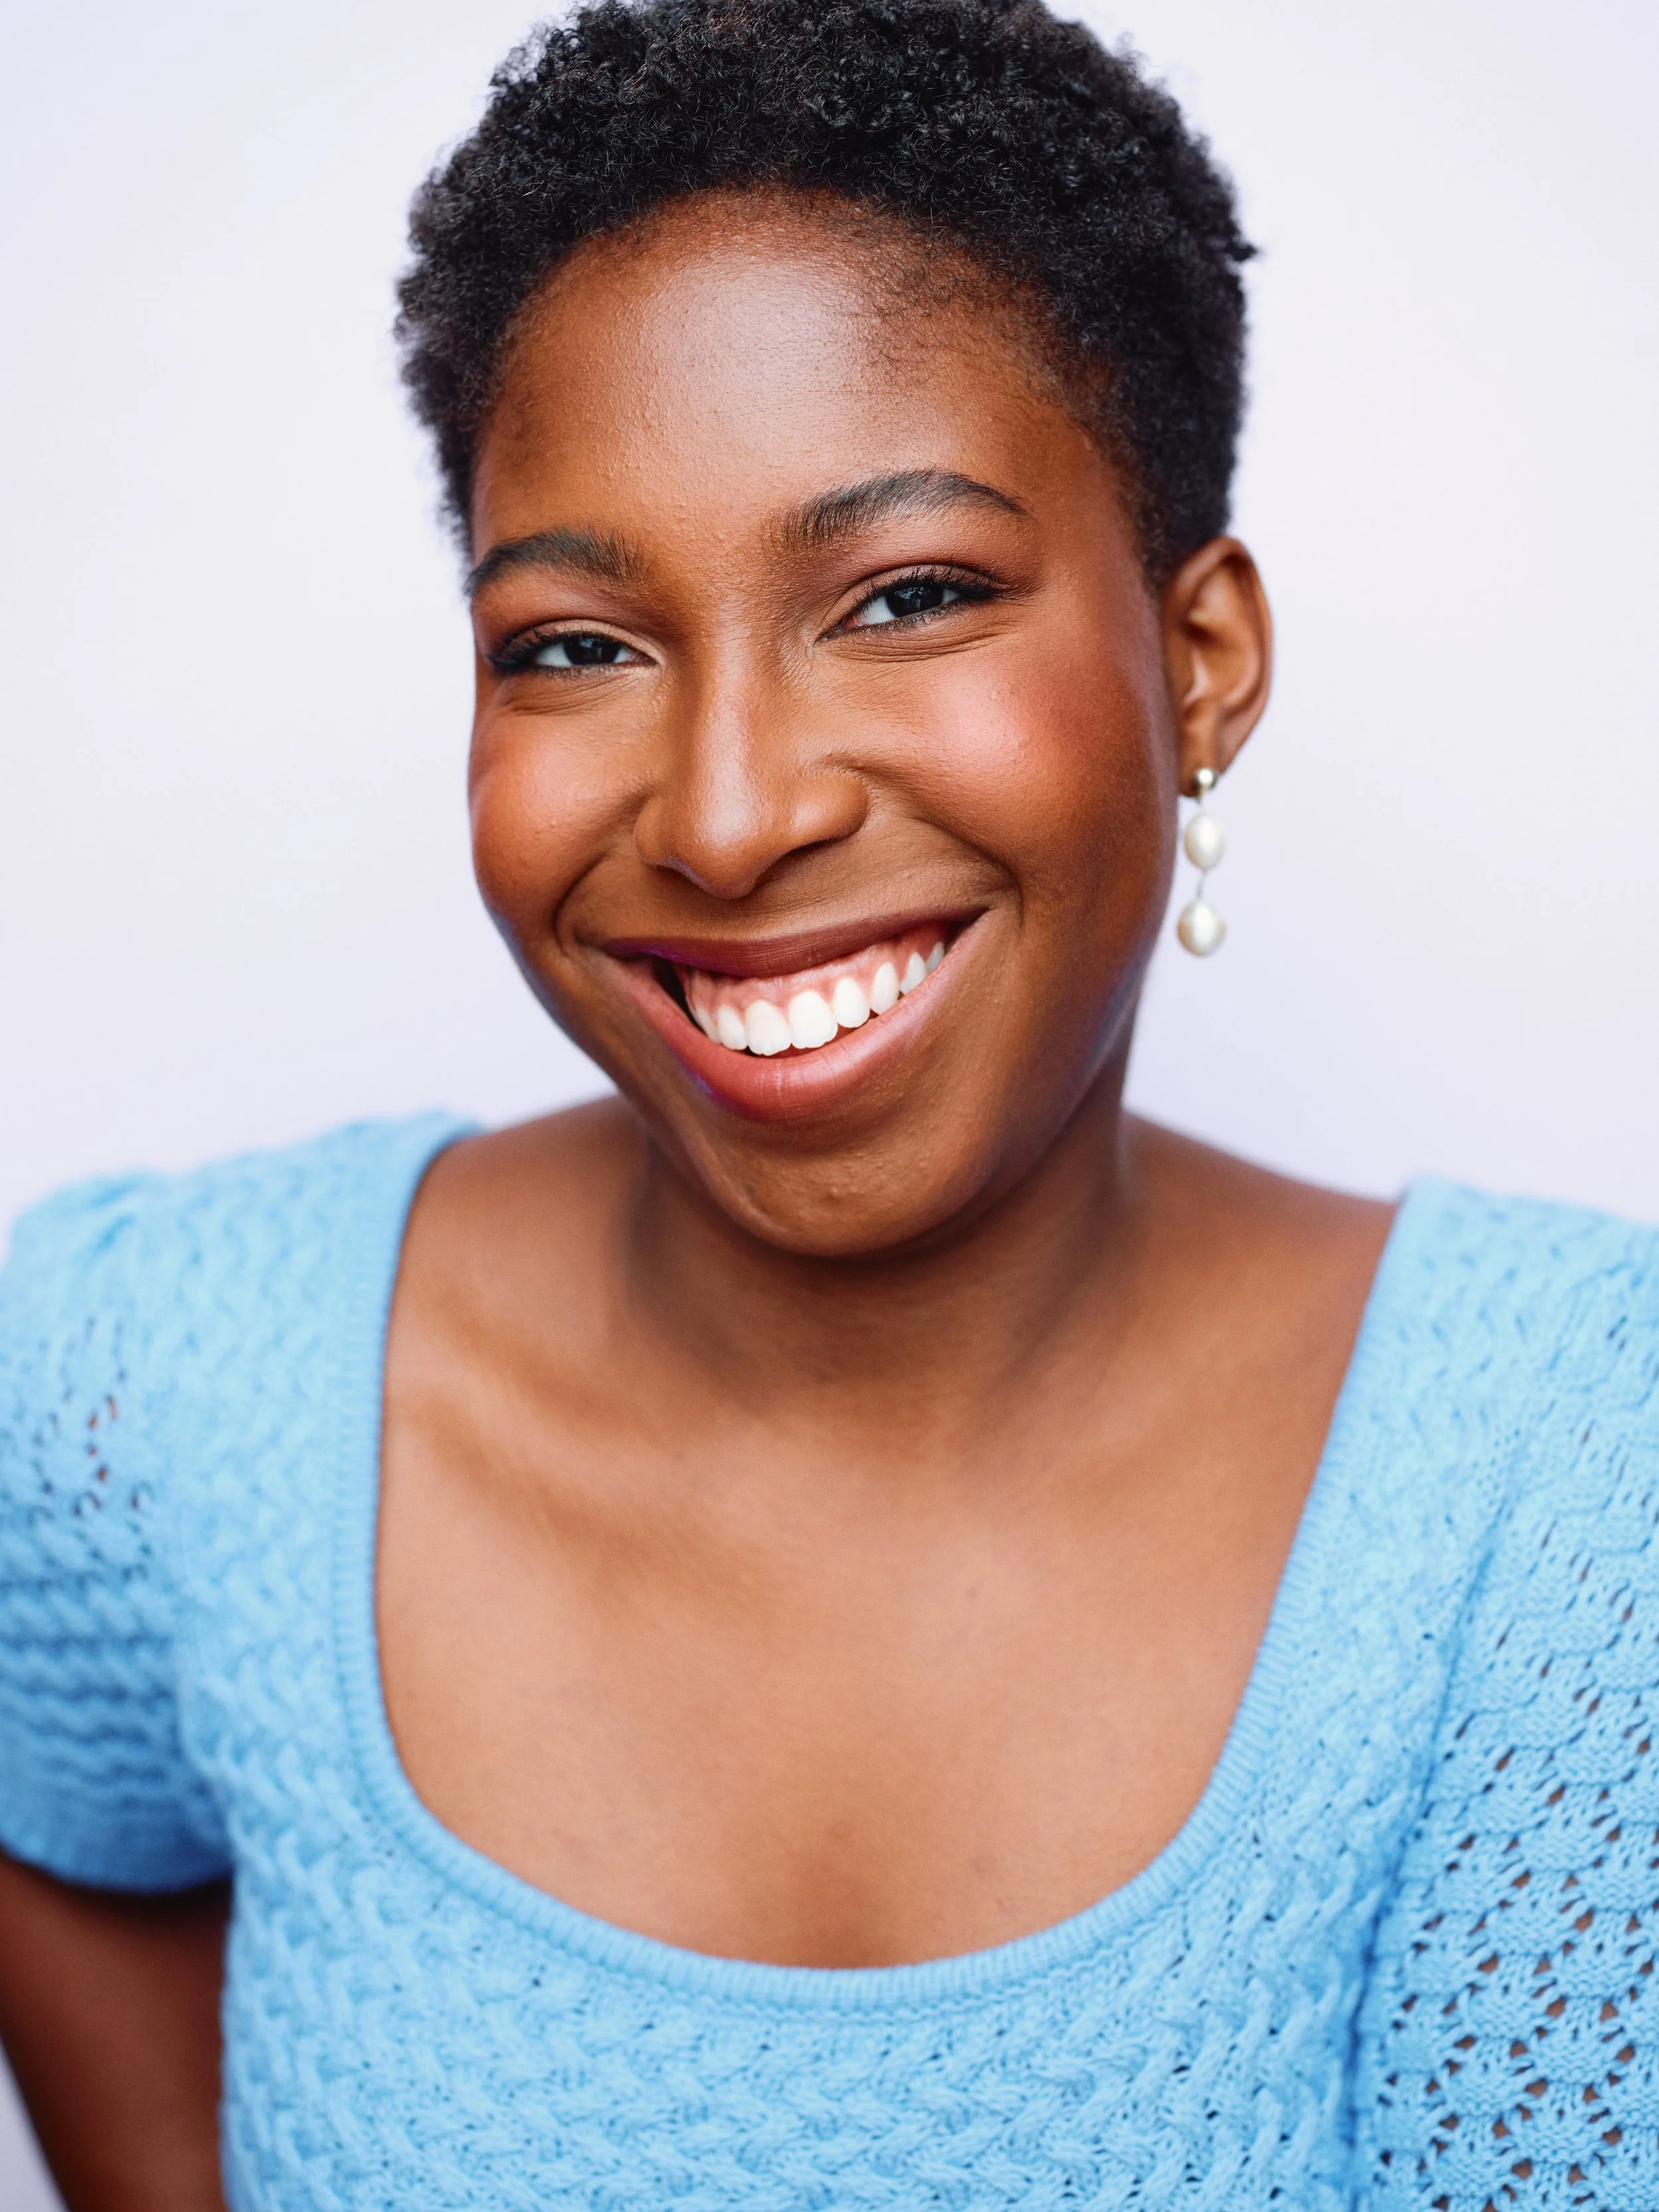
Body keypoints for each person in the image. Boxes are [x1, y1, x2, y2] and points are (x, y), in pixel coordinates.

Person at [1, 0, 1656, 2205]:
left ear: (1198, 664)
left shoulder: (1561, 1481)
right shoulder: (153, 1389)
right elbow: (59, 1825)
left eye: (905, 597)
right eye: (575, 642)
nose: (728, 813)